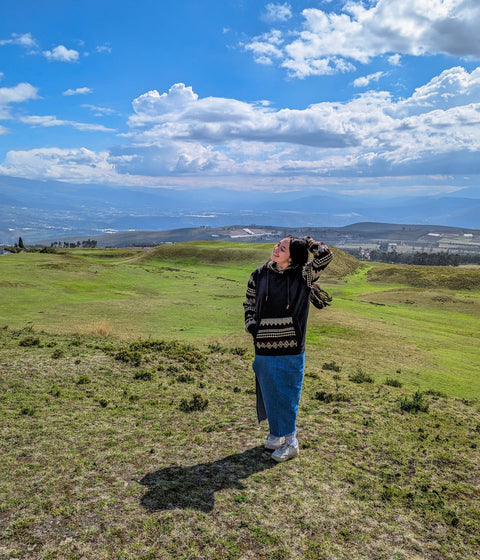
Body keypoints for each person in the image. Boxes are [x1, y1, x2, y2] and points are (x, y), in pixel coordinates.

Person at [243, 236, 333, 462]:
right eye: (277, 245)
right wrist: (252, 325)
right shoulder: (259, 274)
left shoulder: (304, 275)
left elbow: (325, 256)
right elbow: (249, 302)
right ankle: (276, 434)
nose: (276, 249)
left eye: (282, 248)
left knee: (288, 392)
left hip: (291, 347)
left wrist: (309, 242)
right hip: (263, 345)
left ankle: (291, 442)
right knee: (269, 389)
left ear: (292, 256)